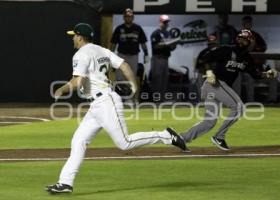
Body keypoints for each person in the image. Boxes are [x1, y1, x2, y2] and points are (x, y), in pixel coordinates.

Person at [45, 23, 189, 194]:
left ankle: (166, 136)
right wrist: (134, 86)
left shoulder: (81, 54)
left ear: (80, 37)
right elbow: (125, 65)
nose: (73, 38)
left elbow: (78, 82)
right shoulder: (102, 50)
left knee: (124, 143)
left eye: (74, 35)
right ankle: (65, 183)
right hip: (97, 105)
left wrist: (62, 89)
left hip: (106, 102)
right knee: (78, 141)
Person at [179, 29, 278, 151]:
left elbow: (255, 75)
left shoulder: (246, 58)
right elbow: (205, 58)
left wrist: (267, 74)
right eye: (240, 38)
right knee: (239, 107)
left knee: (209, 122)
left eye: (244, 39)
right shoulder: (227, 50)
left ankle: (182, 138)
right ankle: (219, 136)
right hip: (215, 84)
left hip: (216, 87)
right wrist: (209, 72)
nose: (241, 40)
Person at [111, 8, 149, 102]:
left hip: (134, 55)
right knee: (119, 77)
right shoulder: (119, 28)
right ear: (124, 17)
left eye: (130, 16)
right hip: (121, 55)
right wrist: (110, 56)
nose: (129, 18)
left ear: (133, 17)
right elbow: (113, 43)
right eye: (127, 16)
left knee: (131, 77)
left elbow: (143, 42)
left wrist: (146, 54)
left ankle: (131, 98)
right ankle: (119, 98)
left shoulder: (138, 28)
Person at [240, 16, 278, 102]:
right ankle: (250, 101)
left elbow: (264, 47)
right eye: (246, 23)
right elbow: (240, 50)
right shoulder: (239, 35)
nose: (248, 25)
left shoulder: (256, 35)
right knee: (250, 77)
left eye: (249, 23)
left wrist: (256, 48)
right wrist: (251, 46)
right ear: (243, 24)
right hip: (246, 67)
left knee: (273, 75)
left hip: (259, 66)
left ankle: (272, 100)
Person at [150, 14, 178, 102]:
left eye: (167, 22)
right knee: (157, 78)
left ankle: (161, 98)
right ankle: (156, 98)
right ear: (160, 22)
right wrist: (167, 43)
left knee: (164, 78)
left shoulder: (168, 33)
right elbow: (155, 46)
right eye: (164, 22)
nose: (166, 24)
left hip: (166, 58)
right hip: (157, 58)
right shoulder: (156, 33)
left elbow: (171, 48)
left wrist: (174, 44)